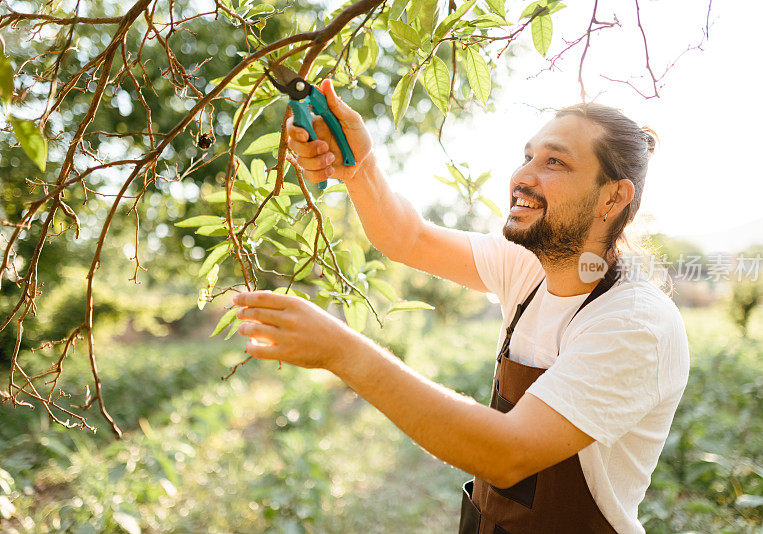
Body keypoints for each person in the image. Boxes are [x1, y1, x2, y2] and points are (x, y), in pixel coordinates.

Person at [232, 79, 690, 533]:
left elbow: (507, 454)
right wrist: (358, 164)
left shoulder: (635, 323)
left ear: (613, 196)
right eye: (527, 156)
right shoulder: (529, 269)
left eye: (555, 161)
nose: (523, 177)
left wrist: (343, 352)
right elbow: (405, 236)